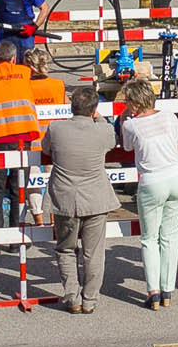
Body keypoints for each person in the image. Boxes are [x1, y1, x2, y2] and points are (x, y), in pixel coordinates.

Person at [117, 78, 178, 311]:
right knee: (170, 236)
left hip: (152, 181)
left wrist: (123, 119)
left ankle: (154, 292)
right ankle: (167, 289)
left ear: (134, 102)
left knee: (149, 238)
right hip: (176, 177)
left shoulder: (132, 125)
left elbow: (127, 147)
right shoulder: (168, 117)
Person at [41, 99, 122, 311]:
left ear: (72, 108)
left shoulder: (56, 128)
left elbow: (46, 149)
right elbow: (113, 139)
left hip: (64, 199)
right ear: (94, 110)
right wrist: (99, 118)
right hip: (96, 199)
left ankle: (72, 297)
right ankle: (89, 299)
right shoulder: (103, 130)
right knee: (93, 253)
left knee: (65, 249)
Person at [0, 40, 41, 229]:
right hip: (22, 138)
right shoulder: (25, 72)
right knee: (19, 189)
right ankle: (17, 234)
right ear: (14, 58)